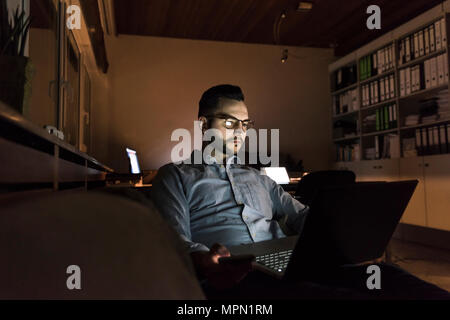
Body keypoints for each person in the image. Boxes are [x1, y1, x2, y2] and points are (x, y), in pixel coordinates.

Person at [151, 84, 450, 299]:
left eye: (245, 124)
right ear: (204, 124)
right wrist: (204, 258)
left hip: (290, 262)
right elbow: (173, 239)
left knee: (393, 279)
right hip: (235, 276)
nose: (241, 131)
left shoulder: (258, 178)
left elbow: (303, 217)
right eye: (230, 122)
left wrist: (342, 234)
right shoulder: (175, 176)